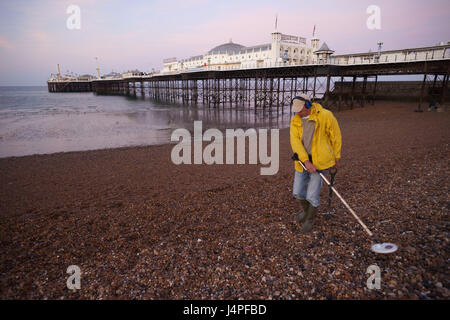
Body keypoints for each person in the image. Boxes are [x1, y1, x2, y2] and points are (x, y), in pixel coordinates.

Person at [290, 94, 342, 233]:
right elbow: (295, 143)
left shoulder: (326, 115)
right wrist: (306, 161)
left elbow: (336, 137)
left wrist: (336, 158)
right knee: (297, 192)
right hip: (302, 162)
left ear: (308, 105)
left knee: (312, 195)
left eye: (300, 109)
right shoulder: (295, 121)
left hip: (321, 162)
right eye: (296, 110)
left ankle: (310, 219)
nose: (298, 113)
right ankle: (306, 212)